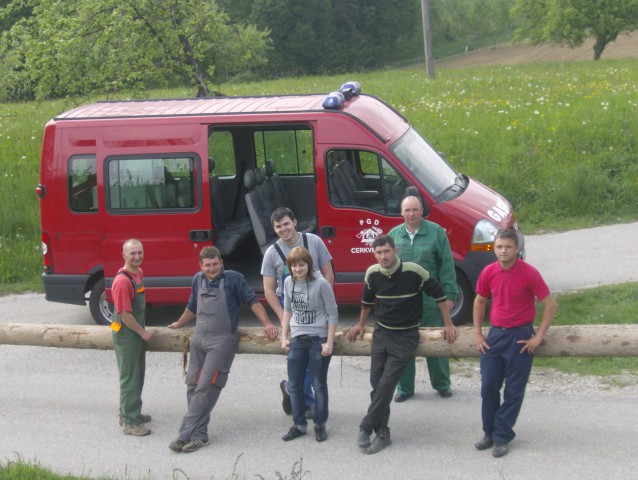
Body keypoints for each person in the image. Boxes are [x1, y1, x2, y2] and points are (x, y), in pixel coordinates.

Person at [347, 235, 457, 454]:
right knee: (377, 383)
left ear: (395, 250)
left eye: (387, 251)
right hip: (381, 334)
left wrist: (448, 324)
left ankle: (365, 426)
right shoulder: (372, 274)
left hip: (406, 336)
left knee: (387, 384)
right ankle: (382, 433)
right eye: (378, 252)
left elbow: (439, 295)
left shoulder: (414, 271)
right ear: (374, 253)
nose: (383, 256)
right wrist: (360, 325)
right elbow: (366, 302)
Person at [168, 246, 278, 453]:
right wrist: (179, 323)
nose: (212, 268)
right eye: (207, 265)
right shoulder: (197, 280)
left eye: (215, 264)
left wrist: (267, 323)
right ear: (201, 266)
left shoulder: (233, 279)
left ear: (221, 262)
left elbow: (252, 301)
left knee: (206, 387)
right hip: (199, 338)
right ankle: (200, 435)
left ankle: (184, 435)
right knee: (192, 386)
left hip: (222, 341)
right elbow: (192, 306)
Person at [473, 228, 557, 458]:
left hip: (520, 337)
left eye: (508, 247)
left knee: (514, 391)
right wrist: (478, 334)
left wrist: (538, 336)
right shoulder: (489, 272)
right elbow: (479, 301)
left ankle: (502, 435)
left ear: (517, 248)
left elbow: (550, 305)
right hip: (495, 336)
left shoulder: (529, 273)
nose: (503, 251)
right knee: (488, 387)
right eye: (499, 247)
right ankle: (488, 432)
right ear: (494, 248)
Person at [261, 207, 334, 417]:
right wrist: (284, 317)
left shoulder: (314, 242)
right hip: (292, 305)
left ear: (295, 222)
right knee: (299, 358)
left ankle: (292, 390)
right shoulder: (272, 252)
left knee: (315, 355)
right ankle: (304, 401)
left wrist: (326, 304)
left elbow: (328, 273)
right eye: (278, 226)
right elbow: (268, 290)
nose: (283, 229)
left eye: (286, 223)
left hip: (317, 301)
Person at [389, 195, 458, 401]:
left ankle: (442, 384)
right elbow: (387, 268)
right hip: (403, 302)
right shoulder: (394, 235)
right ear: (401, 213)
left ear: (422, 211)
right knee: (403, 344)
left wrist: (450, 295)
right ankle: (405, 388)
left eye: (415, 210)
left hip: (431, 299)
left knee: (436, 340)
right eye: (407, 210)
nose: (411, 214)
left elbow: (447, 266)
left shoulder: (436, 232)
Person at [280, 247, 338, 443]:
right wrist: (284, 336)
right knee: (295, 385)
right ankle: (299, 424)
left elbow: (332, 313)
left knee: (318, 384)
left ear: (309, 265)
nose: (298, 269)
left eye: (301, 265)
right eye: (294, 265)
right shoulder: (288, 282)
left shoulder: (321, 284)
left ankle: (320, 424)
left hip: (318, 340)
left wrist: (328, 342)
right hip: (297, 339)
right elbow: (287, 310)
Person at [111, 238, 155, 436]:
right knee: (130, 377)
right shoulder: (122, 281)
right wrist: (142, 332)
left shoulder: (138, 274)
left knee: (137, 375)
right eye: (132, 254)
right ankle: (129, 423)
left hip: (134, 331)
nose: (137, 257)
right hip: (126, 333)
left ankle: (131, 412)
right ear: (124, 256)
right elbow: (124, 314)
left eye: (140, 253)